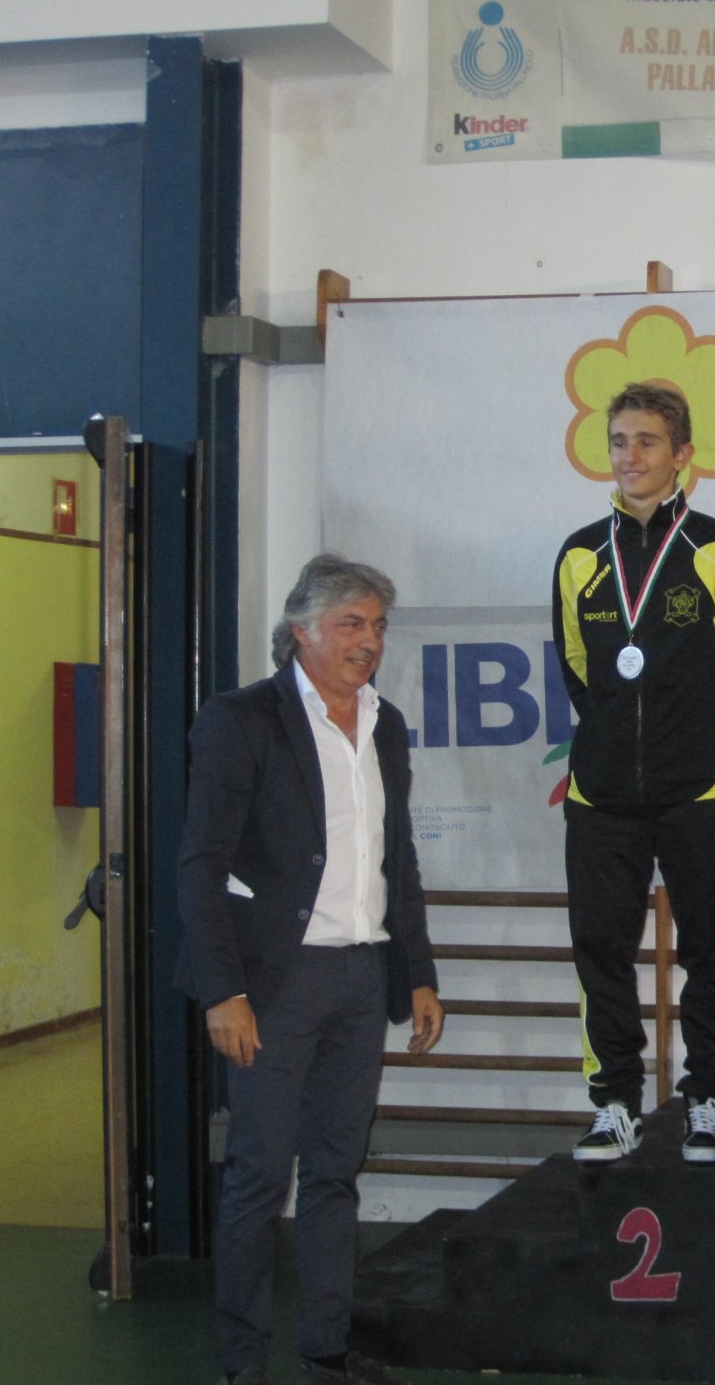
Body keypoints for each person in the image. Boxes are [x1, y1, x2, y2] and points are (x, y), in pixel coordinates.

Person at [176, 554, 445, 1385]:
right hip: (272, 987)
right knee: (259, 1179)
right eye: (350, 624)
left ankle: (324, 1351)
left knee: (335, 1175)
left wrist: (418, 973)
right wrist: (223, 989)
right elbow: (201, 863)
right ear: (301, 631)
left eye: (378, 626)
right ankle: (240, 1366)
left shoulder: (386, 723)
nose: (370, 641)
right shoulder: (241, 720)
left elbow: (397, 858)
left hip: (362, 980)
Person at [550, 383, 715, 1164]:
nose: (629, 455)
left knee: (712, 945)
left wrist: (694, 745)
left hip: (695, 789)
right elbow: (579, 668)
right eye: (618, 441)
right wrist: (617, 742)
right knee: (601, 950)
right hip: (601, 795)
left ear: (682, 456)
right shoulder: (580, 556)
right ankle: (615, 1104)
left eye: (646, 441)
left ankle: (706, 1095)